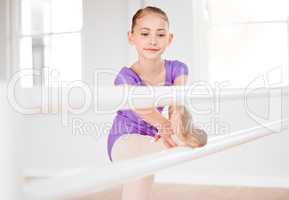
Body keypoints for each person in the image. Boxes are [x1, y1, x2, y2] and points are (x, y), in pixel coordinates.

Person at [106, 6, 206, 200]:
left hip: (156, 138)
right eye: (145, 33)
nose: (153, 40)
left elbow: (177, 102)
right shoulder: (125, 77)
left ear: (169, 39)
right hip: (124, 140)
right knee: (172, 145)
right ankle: (181, 139)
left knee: (138, 191)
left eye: (160, 34)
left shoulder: (178, 69)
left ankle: (181, 138)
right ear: (131, 37)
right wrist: (172, 131)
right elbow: (143, 108)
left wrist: (178, 123)